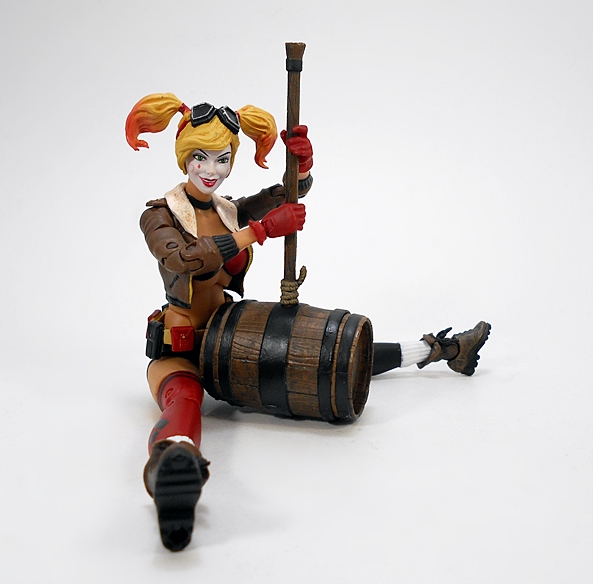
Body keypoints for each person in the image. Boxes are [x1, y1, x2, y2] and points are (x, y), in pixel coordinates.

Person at [126, 93, 490, 551]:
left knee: (336, 357)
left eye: (222, 159)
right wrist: (259, 231)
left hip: (233, 337)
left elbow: (281, 198)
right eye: (200, 157)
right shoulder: (159, 214)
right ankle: (172, 464)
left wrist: (301, 170)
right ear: (184, 157)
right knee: (184, 401)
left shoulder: (226, 209)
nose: (210, 169)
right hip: (182, 349)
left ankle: (439, 349)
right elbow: (183, 259)